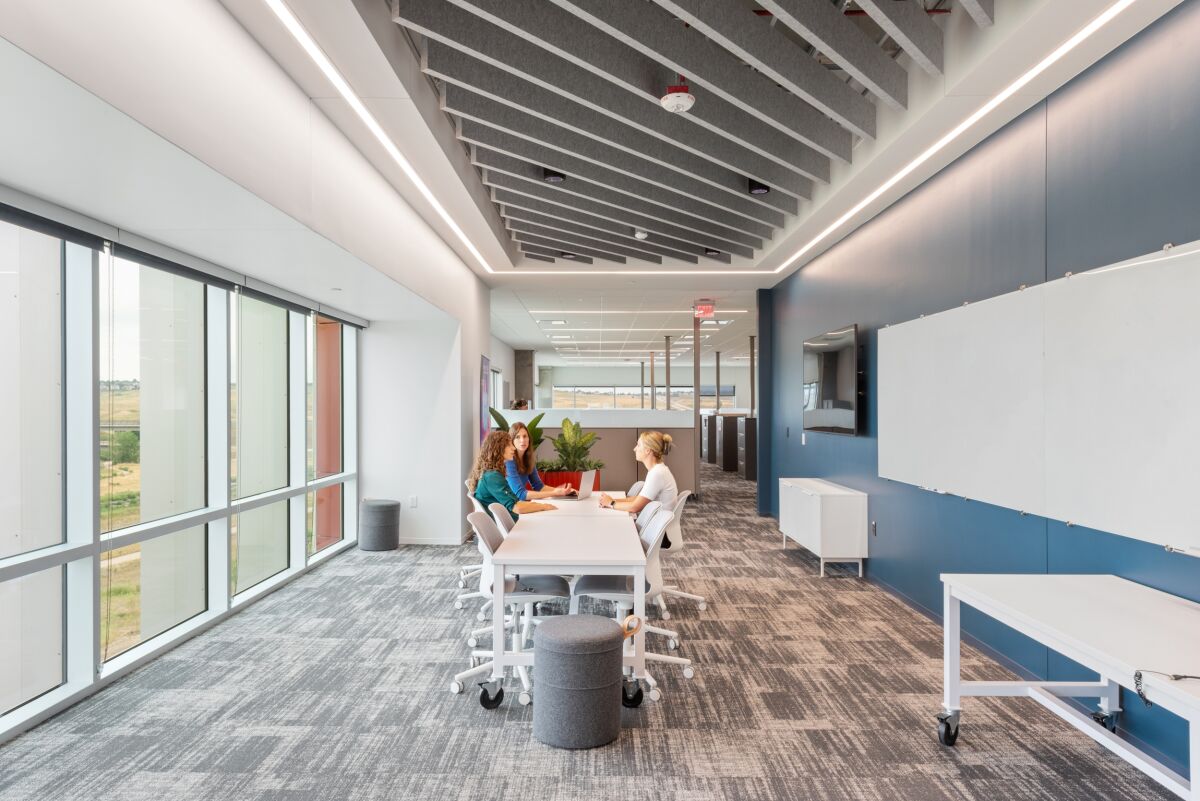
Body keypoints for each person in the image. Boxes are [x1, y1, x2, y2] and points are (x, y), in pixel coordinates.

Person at [468, 430, 555, 520]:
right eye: (509, 445)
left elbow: (516, 503)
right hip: (511, 523)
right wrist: (544, 506)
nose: (513, 448)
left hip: (508, 520)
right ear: (498, 448)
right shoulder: (492, 477)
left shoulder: (491, 473)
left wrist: (537, 505)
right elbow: (517, 507)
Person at [598, 431, 677, 513]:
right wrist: (612, 500)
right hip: (656, 521)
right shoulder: (657, 470)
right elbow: (640, 498)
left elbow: (635, 507)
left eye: (638, 445)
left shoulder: (657, 473)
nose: (634, 449)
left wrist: (611, 503)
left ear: (647, 450)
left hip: (657, 522)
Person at [505, 422, 574, 500]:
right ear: (511, 440)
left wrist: (565, 491)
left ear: (529, 439)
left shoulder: (528, 459)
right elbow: (521, 494)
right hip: (507, 506)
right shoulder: (509, 460)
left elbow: (539, 487)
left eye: (525, 436)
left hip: (519, 504)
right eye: (517, 437)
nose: (522, 440)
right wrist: (555, 493)